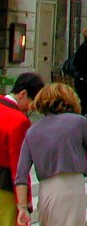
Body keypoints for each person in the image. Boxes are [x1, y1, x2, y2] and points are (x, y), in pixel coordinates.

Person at [14, 83, 87, 226]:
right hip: (70, 189)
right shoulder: (79, 122)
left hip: (46, 191)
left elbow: (21, 175)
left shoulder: (32, 131)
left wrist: (22, 208)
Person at [0, 73, 44, 226]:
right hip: (4, 189)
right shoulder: (19, 120)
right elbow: (19, 167)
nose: (31, 109)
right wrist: (25, 202)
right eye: (32, 103)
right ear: (23, 94)